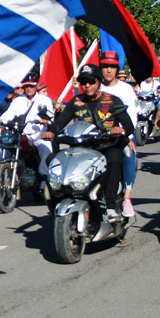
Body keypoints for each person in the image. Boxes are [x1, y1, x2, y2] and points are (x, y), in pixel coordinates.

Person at [44, 64, 133, 222]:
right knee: (52, 159)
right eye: (84, 82)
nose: (87, 85)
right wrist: (51, 130)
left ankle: (111, 205)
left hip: (106, 147)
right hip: (81, 149)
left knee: (114, 157)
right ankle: (56, 201)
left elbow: (128, 125)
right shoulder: (76, 101)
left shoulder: (112, 100)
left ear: (98, 82)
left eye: (91, 81)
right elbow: (60, 122)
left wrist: (119, 130)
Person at [99, 52, 139, 218]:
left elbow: (132, 115)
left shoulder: (126, 89)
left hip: (122, 134)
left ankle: (127, 197)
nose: (108, 70)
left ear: (117, 69)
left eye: (112, 67)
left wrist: (126, 135)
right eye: (105, 67)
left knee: (128, 155)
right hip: (97, 136)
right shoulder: (96, 87)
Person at [0, 72, 55, 175]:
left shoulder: (44, 100)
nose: (29, 88)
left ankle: (44, 177)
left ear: (36, 85)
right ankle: (4, 172)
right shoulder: (18, 100)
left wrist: (45, 119)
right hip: (21, 134)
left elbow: (50, 116)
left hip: (38, 135)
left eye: (31, 86)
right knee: (4, 144)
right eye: (26, 86)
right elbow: (9, 114)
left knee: (46, 149)